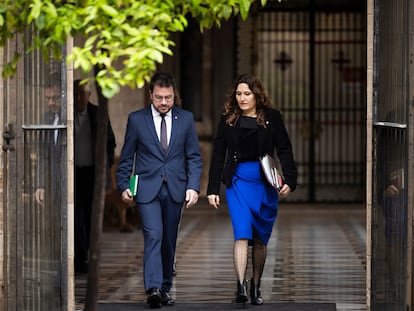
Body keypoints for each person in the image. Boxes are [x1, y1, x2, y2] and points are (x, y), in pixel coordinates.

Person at [206, 73, 297, 305]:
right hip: (237, 182)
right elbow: (218, 153)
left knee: (259, 239)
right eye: (238, 94)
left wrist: (289, 180)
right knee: (241, 233)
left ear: (257, 95)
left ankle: (256, 285)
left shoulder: (272, 117)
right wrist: (213, 188)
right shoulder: (228, 117)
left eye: (247, 94)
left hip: (264, 182)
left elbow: (284, 149)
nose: (242, 98)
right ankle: (241, 286)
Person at [116, 72, 202, 308]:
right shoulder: (137, 119)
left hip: (175, 188)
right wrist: (124, 185)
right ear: (150, 95)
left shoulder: (185, 119)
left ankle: (164, 288)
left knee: (169, 240)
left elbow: (194, 156)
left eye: (168, 98)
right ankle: (152, 288)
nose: (164, 103)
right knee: (153, 234)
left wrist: (193, 186)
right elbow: (126, 157)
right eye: (159, 98)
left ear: (175, 96)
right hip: (146, 189)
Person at [74, 79, 116, 273]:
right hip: (72, 174)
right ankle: (80, 257)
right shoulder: (65, 115)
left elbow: (110, 142)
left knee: (90, 215)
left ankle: (90, 254)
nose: (78, 98)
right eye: (75, 94)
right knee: (75, 216)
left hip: (92, 173)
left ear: (89, 95)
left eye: (82, 94)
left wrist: (105, 166)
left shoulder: (98, 113)